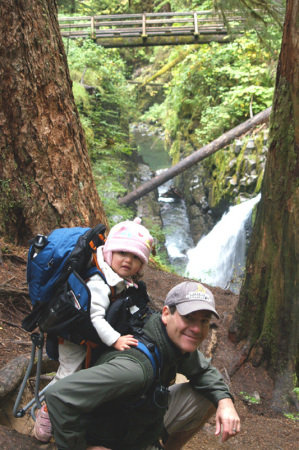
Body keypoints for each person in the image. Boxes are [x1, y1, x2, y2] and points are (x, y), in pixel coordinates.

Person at [44, 281, 240, 450]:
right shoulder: (134, 369)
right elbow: (59, 395)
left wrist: (225, 402)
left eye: (204, 321)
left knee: (210, 394)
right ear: (166, 314)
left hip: (141, 426)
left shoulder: (173, 344)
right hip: (107, 438)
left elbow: (204, 371)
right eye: (188, 318)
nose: (197, 329)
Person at [33, 217, 153, 443]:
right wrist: (116, 340)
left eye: (136, 257)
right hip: (75, 338)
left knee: (82, 377)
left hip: (88, 336)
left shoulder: (118, 279)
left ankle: (71, 413)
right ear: (109, 253)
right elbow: (96, 318)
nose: (128, 261)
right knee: (68, 374)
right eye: (122, 254)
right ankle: (47, 412)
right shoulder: (100, 282)